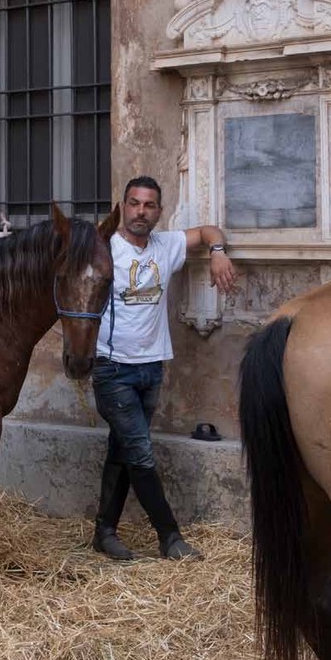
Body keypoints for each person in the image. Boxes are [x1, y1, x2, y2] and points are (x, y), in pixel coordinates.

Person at [92, 175, 236, 562]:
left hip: (151, 367)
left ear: (159, 210)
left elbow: (208, 231)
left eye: (149, 205)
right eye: (134, 203)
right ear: (123, 206)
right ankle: (170, 537)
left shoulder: (166, 245)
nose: (141, 211)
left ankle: (104, 532)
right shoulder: (104, 249)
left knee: (122, 449)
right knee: (139, 451)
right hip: (112, 367)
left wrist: (218, 250)